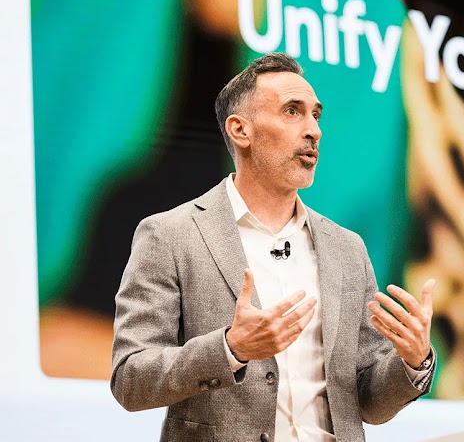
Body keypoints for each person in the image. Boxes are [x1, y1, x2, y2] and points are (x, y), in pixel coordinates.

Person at [110, 53, 437, 442]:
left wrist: (413, 360)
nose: (313, 130)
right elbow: (130, 378)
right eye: (292, 111)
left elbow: (368, 403)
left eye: (316, 115)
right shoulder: (171, 235)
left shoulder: (347, 249)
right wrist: (229, 348)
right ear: (240, 130)